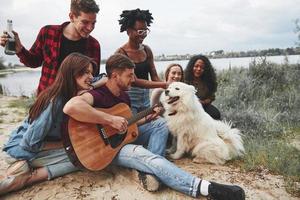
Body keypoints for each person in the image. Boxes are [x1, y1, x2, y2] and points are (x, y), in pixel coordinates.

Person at [63, 53, 246, 199]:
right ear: (115, 76)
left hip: (120, 138)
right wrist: (109, 120)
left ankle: (151, 173)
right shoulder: (98, 94)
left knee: (159, 124)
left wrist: (147, 119)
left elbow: (129, 126)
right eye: (129, 75)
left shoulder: (124, 97)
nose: (133, 79)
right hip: (106, 149)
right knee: (146, 156)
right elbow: (71, 106)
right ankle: (204, 187)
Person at [0, 53, 105, 196]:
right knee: (85, 157)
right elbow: (29, 143)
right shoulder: (56, 101)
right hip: (20, 150)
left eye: (91, 73)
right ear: (71, 73)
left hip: (31, 147)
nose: (91, 77)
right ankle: (26, 176)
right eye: (86, 72)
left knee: (84, 153)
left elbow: (102, 78)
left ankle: (26, 174)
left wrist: (95, 83)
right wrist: (67, 144)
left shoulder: (71, 93)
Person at [0, 0, 101, 94]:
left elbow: (93, 78)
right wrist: (20, 50)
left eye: (93, 23)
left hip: (74, 105)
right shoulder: (47, 32)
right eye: (85, 22)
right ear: (72, 17)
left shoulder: (94, 45)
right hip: (46, 100)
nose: (90, 28)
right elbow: (33, 62)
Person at [115, 8, 167, 115]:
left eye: (145, 30)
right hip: (129, 99)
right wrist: (165, 84)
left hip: (145, 99)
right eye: (140, 31)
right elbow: (135, 81)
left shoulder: (147, 50)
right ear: (129, 31)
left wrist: (168, 88)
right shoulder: (121, 53)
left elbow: (154, 77)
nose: (143, 34)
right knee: (133, 129)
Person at [184, 55, 221, 120]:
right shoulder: (184, 79)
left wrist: (202, 102)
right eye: (196, 66)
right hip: (187, 108)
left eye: (202, 67)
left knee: (216, 114)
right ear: (191, 67)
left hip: (202, 107)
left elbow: (211, 97)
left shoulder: (208, 81)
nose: (199, 69)